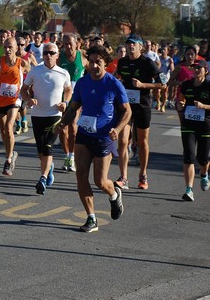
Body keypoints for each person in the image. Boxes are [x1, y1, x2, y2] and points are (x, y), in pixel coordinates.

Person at [57, 45, 131, 233]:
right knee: (80, 175)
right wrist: (63, 122)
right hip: (84, 134)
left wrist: (117, 128)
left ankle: (114, 194)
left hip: (103, 137)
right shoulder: (82, 83)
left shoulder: (113, 84)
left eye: (98, 62)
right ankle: (91, 218)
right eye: (91, 61)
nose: (94, 65)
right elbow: (74, 107)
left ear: (106, 63)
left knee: (100, 181)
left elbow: (126, 111)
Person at [21, 42, 72, 195]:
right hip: (37, 114)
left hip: (54, 115)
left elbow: (68, 89)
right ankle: (48, 169)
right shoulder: (35, 71)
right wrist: (29, 99)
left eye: (51, 53)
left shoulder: (63, 73)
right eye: (45, 53)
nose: (48, 56)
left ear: (57, 55)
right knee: (41, 150)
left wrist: (65, 102)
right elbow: (23, 90)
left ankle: (42, 178)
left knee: (48, 146)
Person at [115, 34, 163, 191]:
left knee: (142, 142)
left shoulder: (148, 63)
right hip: (125, 107)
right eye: (128, 44)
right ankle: (124, 177)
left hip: (142, 105)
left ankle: (143, 174)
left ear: (141, 47)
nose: (130, 46)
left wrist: (143, 85)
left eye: (134, 44)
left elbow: (162, 85)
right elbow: (117, 78)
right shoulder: (122, 62)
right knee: (122, 140)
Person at [0, 37, 29, 175]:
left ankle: (8, 160)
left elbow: (32, 77)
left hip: (15, 100)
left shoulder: (23, 63)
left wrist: (28, 91)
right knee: (3, 131)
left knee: (9, 126)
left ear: (16, 48)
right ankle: (11, 152)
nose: (8, 50)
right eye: (5, 47)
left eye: (10, 47)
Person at [176, 60, 210, 201]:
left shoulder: (208, 86)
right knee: (189, 156)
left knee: (202, 158)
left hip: (205, 125)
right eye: (195, 68)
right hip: (188, 125)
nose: (196, 70)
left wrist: (203, 106)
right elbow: (180, 101)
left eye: (199, 68)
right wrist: (180, 105)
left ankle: (204, 174)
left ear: (205, 70)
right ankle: (189, 189)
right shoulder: (187, 84)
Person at [58, 33, 88, 171]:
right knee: (62, 130)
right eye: (65, 44)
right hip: (62, 99)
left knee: (73, 128)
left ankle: (72, 156)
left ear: (77, 44)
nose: (68, 46)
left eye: (70, 43)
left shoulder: (82, 57)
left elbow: (93, 71)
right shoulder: (59, 58)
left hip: (77, 100)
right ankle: (67, 155)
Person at [156, 45, 174, 112]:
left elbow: (172, 68)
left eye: (165, 50)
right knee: (157, 91)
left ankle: (163, 105)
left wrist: (171, 67)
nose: (163, 51)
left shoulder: (169, 59)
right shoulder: (158, 58)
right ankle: (158, 102)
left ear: (167, 51)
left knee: (164, 92)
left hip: (166, 78)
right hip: (159, 76)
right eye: (162, 50)